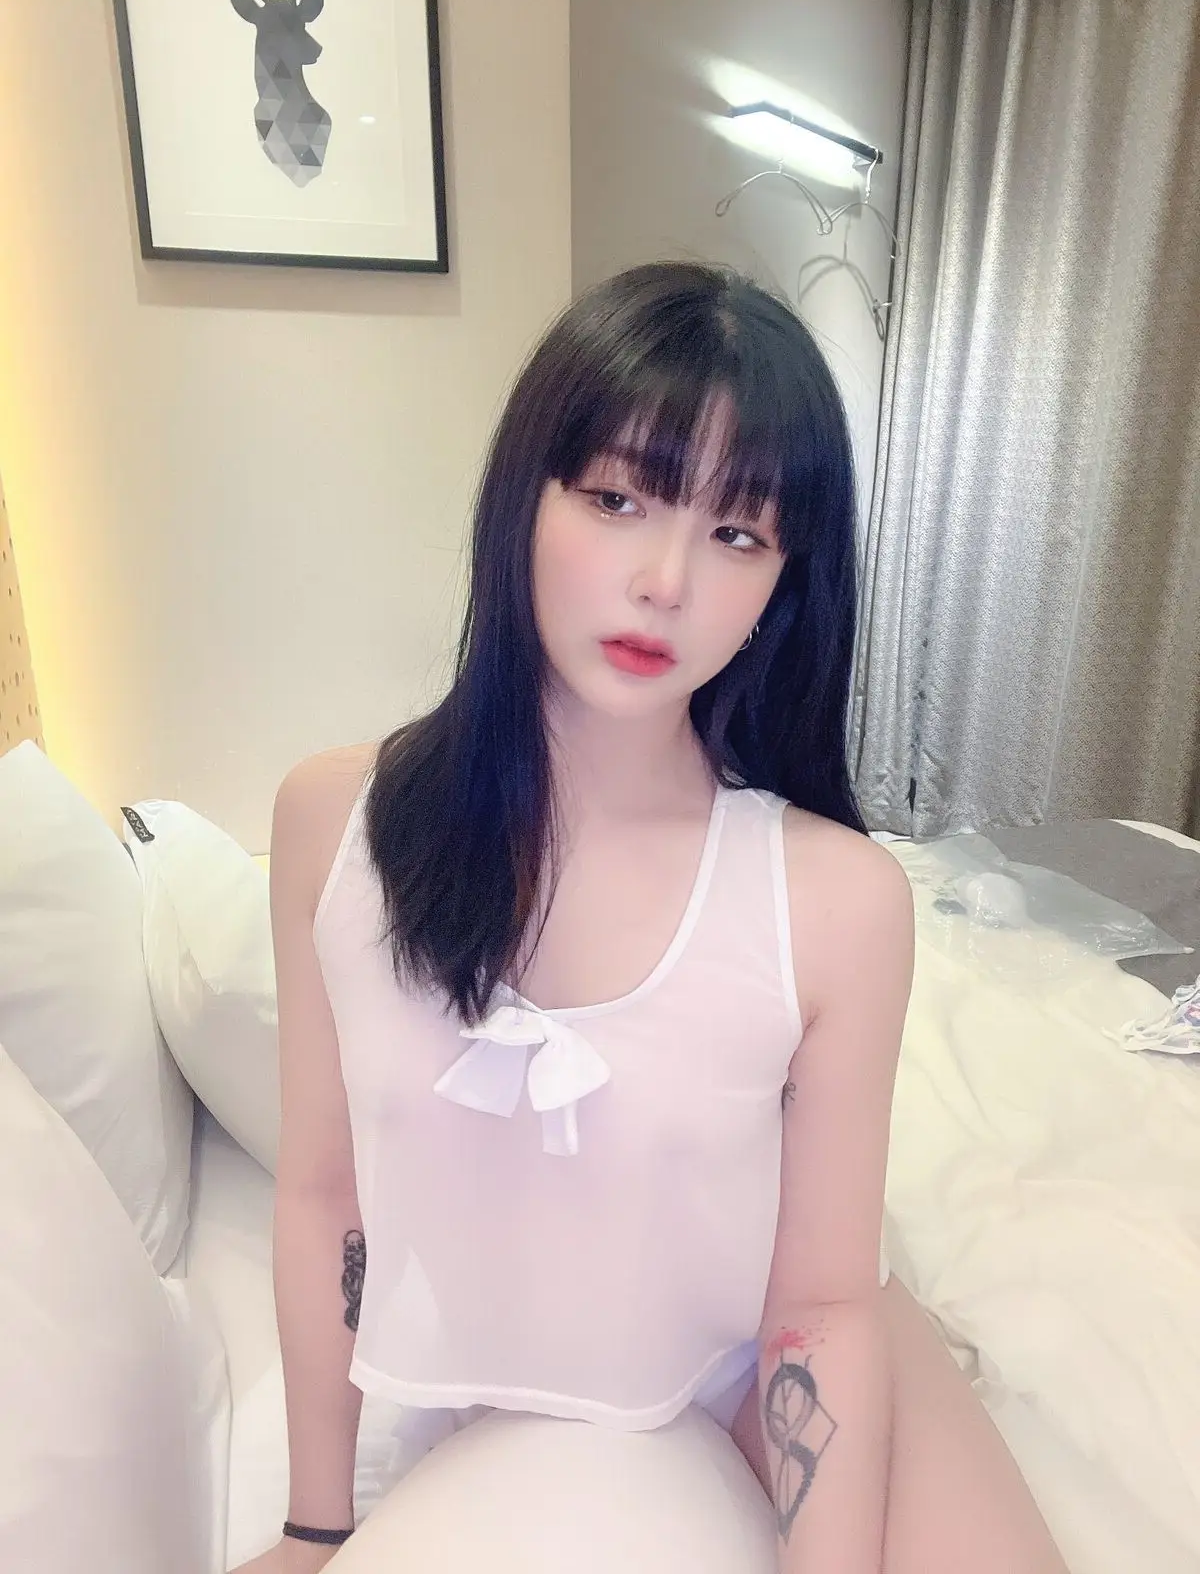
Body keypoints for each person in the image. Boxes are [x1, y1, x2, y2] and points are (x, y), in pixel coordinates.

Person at [233, 261, 1069, 1574]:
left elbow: (821, 1304)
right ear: (525, 498)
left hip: (750, 1365)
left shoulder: (837, 898)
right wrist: (313, 1524)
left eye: (738, 535)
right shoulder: (333, 826)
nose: (665, 581)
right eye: (617, 500)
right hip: (497, 1419)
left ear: (783, 583)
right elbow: (324, 1196)